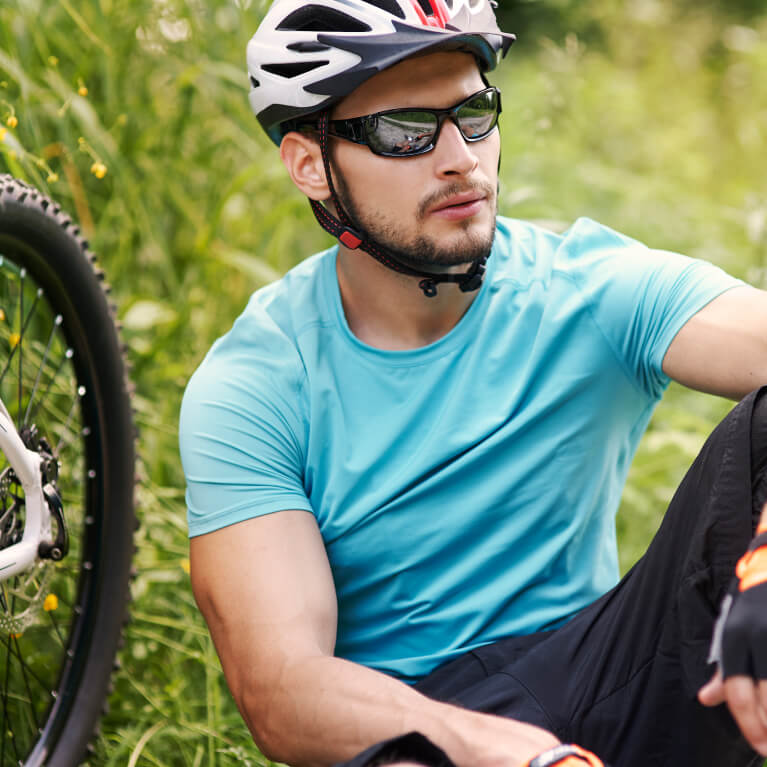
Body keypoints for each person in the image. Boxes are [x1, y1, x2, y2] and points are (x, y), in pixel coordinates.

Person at [178, 1, 767, 765]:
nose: (460, 158)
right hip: (421, 723)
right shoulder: (254, 385)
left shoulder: (584, 287)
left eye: (474, 113)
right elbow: (282, 688)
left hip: (612, 672)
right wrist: (514, 754)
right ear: (309, 165)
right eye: (405, 130)